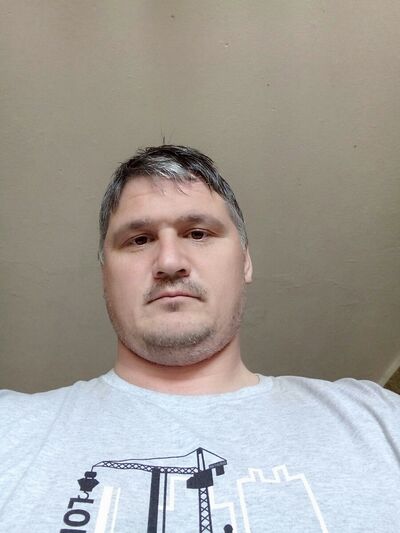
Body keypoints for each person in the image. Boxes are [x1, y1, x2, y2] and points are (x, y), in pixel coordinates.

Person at [0, 145, 399, 532]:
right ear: (105, 275)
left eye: (197, 233)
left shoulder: (378, 416)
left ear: (245, 261)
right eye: (139, 240)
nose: (170, 262)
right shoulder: (10, 427)